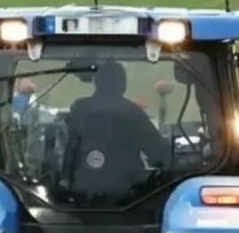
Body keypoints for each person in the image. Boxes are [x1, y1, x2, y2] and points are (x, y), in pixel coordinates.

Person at [65, 61, 169, 193]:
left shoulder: (78, 108)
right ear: (123, 85)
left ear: (96, 82)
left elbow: (65, 150)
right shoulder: (133, 112)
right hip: (127, 195)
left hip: (77, 191)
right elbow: (159, 156)